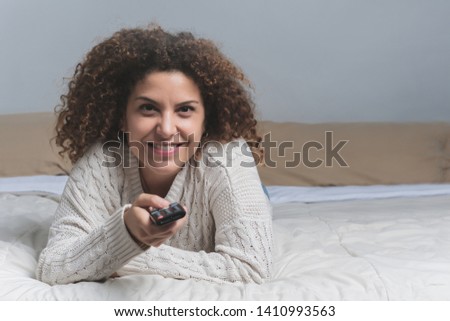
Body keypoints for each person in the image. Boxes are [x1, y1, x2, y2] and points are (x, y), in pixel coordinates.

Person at [36, 25, 273, 285]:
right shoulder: (100, 163)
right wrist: (126, 229)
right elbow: (53, 267)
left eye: (185, 110)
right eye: (148, 108)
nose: (166, 129)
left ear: (206, 121)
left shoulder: (229, 159)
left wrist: (121, 252)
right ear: (123, 118)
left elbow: (251, 268)